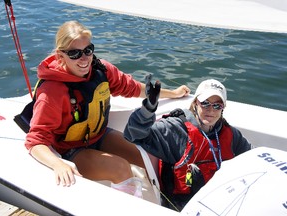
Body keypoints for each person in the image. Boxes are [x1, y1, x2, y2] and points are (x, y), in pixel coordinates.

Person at [24, 20, 190, 196]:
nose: (84, 59)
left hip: (99, 135)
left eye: (88, 50)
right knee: (120, 169)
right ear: (60, 56)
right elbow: (35, 141)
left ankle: (171, 198)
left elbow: (132, 87)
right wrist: (58, 164)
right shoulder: (51, 92)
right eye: (74, 53)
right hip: (70, 149)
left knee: (147, 154)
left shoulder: (101, 70)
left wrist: (173, 93)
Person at [124, 78, 252, 209]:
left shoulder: (231, 135)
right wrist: (147, 111)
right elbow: (133, 135)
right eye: (205, 103)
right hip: (183, 206)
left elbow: (252, 158)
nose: (211, 110)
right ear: (195, 102)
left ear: (223, 108)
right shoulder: (175, 129)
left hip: (222, 201)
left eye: (217, 105)